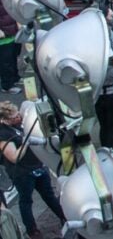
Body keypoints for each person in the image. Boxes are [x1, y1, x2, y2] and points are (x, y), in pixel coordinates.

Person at [0, 100, 63, 239]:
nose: (18, 118)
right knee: (26, 201)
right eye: (14, 117)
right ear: (4, 120)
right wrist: (26, 142)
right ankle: (32, 230)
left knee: (49, 195)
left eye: (18, 115)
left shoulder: (17, 125)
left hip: (37, 166)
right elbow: (14, 157)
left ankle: (64, 216)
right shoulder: (3, 134)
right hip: (22, 173)